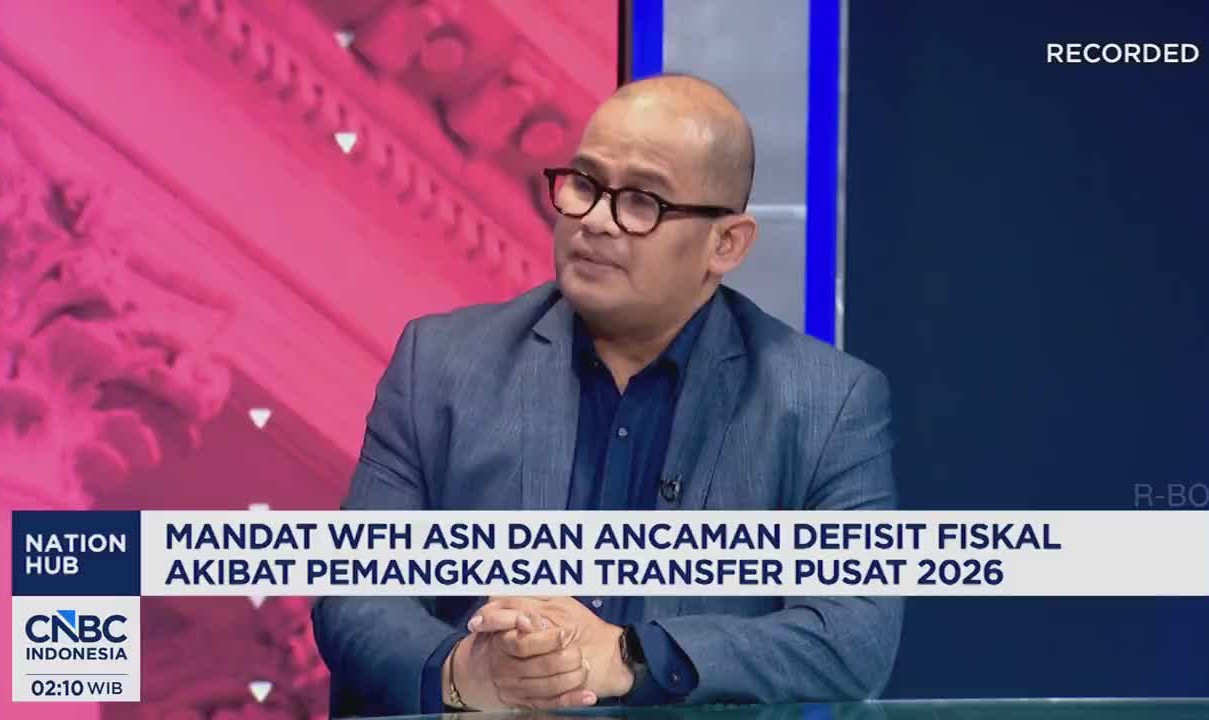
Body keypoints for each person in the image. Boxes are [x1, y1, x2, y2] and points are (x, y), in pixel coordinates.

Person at [311, 73, 901, 717]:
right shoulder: (442, 365)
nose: (594, 220)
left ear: (725, 243)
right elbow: (354, 594)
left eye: (642, 201)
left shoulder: (823, 401)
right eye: (585, 185)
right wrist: (464, 676)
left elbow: (854, 633)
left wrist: (628, 657)